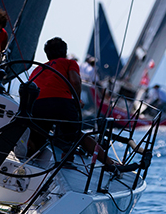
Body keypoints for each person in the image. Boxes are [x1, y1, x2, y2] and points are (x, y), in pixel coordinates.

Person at [29, 37, 113, 165]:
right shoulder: (69, 63)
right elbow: (75, 81)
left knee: (38, 134)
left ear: (47, 53)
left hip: (38, 104)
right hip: (62, 103)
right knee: (78, 135)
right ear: (65, 52)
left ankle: (30, 156)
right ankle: (109, 164)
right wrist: (77, 100)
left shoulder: (38, 69)